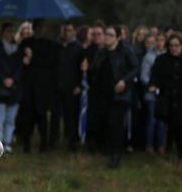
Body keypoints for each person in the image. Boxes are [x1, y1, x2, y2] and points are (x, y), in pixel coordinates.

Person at [89, 26, 138, 168]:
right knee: (107, 123)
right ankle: (109, 149)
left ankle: (116, 156)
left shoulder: (125, 50)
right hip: (103, 94)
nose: (107, 37)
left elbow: (135, 67)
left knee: (115, 123)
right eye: (106, 34)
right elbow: (94, 71)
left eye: (110, 35)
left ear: (117, 37)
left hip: (120, 94)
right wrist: (88, 69)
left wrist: (124, 80)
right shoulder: (101, 52)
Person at [17, 19, 59, 153]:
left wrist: (32, 58)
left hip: (43, 87)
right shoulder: (25, 43)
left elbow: (49, 63)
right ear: (34, 29)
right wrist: (25, 59)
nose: (40, 30)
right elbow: (19, 61)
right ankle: (26, 144)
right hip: (28, 86)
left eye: (42, 28)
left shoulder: (50, 45)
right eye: (37, 27)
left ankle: (43, 144)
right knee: (27, 116)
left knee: (42, 117)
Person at [0, 22, 23, 153]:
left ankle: (8, 142)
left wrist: (13, 79)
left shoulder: (18, 49)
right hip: (0, 88)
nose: (10, 33)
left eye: (11, 31)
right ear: (2, 32)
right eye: (7, 31)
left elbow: (20, 68)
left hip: (14, 88)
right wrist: (4, 79)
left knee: (10, 119)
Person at [55, 22, 83, 151]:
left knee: (72, 115)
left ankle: (72, 141)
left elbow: (80, 69)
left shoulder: (78, 47)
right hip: (59, 86)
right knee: (59, 115)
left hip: (72, 87)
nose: (67, 33)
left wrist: (79, 85)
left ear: (74, 32)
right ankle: (57, 138)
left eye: (70, 30)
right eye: (65, 30)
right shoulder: (59, 46)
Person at [141, 33, 166, 154]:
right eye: (158, 40)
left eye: (162, 40)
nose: (160, 42)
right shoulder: (148, 57)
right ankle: (149, 145)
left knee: (162, 121)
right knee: (152, 120)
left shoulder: (168, 55)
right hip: (152, 94)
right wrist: (153, 86)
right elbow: (143, 76)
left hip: (164, 95)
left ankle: (161, 145)